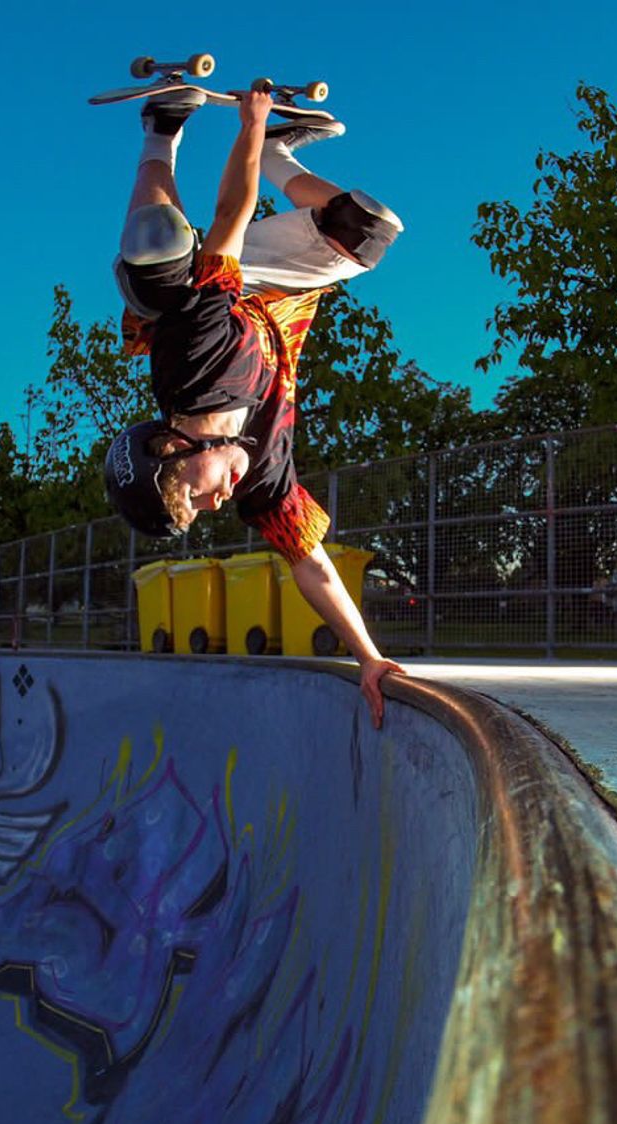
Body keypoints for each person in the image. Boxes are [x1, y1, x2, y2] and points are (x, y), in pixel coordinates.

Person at [103, 84, 406, 727]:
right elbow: (312, 566)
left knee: (157, 251)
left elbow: (230, 219)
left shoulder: (192, 363)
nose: (220, 503)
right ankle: (279, 156)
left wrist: (249, 122)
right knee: (369, 226)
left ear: (175, 445)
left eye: (199, 494)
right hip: (279, 298)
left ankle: (161, 130)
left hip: (224, 285)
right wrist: (369, 658)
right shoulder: (262, 477)